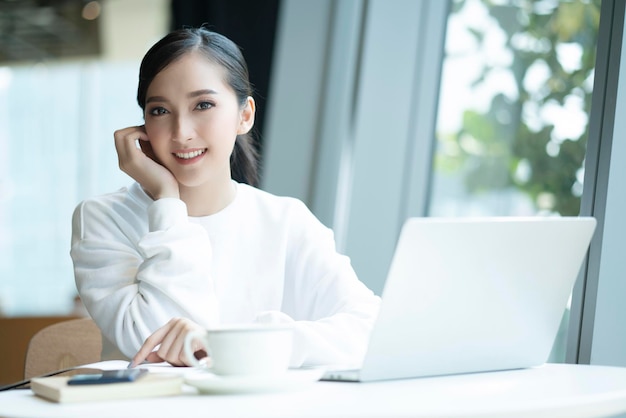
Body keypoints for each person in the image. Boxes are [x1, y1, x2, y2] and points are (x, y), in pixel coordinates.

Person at [70, 27, 380, 368]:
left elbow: (372, 329)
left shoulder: (285, 220)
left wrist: (236, 345)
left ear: (244, 115)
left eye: (203, 105)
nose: (182, 133)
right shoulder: (102, 218)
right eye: (160, 111)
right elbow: (157, 346)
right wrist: (167, 203)